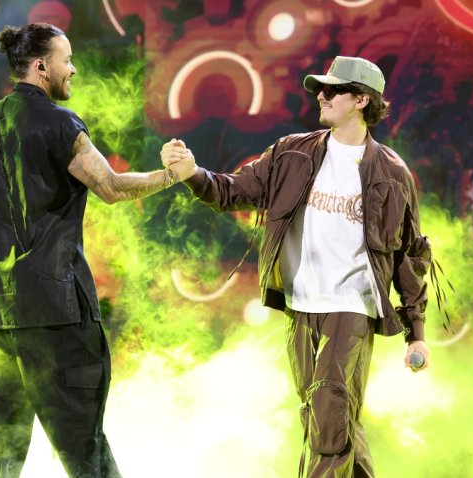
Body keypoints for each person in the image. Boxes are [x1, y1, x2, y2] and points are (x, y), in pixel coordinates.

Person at [164, 56, 432, 477]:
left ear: (362, 99)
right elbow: (236, 190)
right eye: (320, 89)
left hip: (352, 306)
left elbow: (410, 253)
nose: (321, 96)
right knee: (326, 416)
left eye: (333, 90)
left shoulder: (392, 172)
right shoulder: (292, 152)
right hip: (302, 304)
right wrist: (192, 173)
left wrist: (415, 333)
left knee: (329, 411)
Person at [0, 23, 195, 478]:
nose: (74, 68)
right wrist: (174, 176)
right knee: (83, 442)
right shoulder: (60, 123)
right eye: (67, 59)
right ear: (42, 66)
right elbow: (112, 187)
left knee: (0, 432)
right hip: (53, 314)